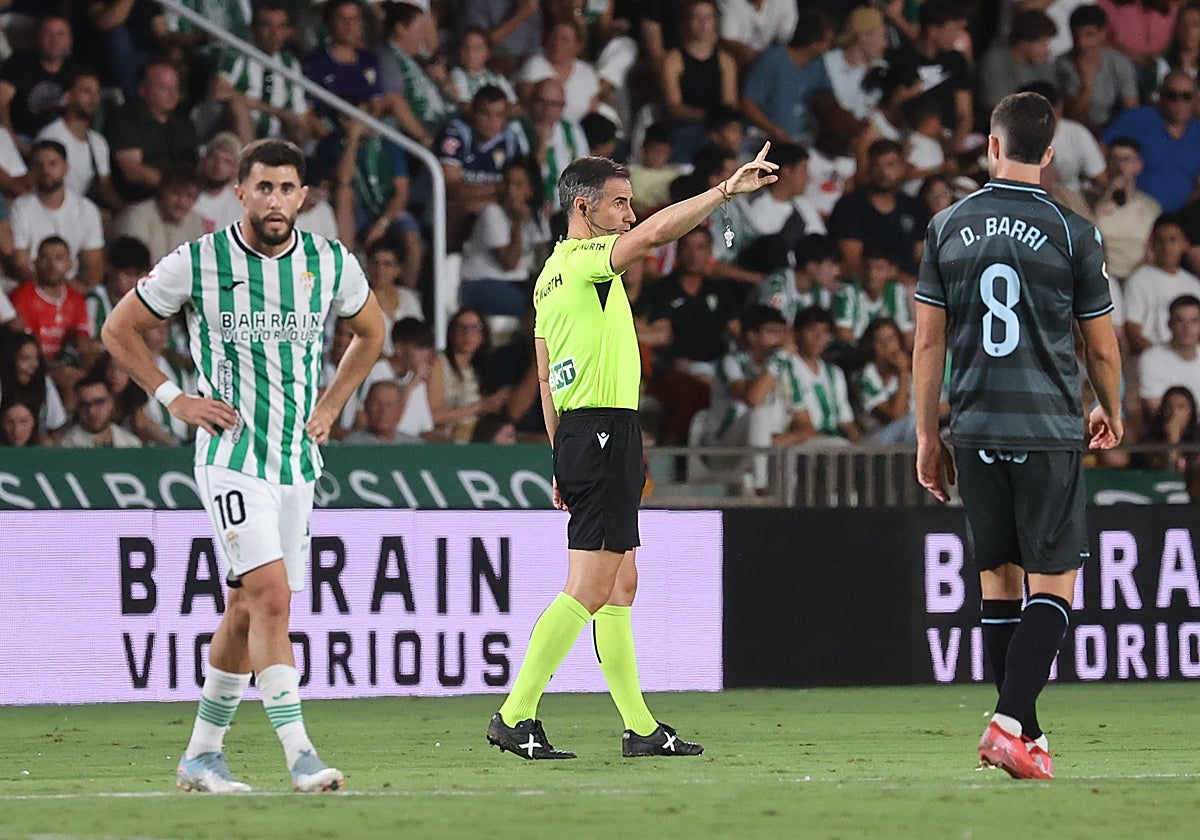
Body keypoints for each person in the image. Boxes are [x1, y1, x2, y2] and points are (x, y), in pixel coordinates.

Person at [100, 139, 386, 793]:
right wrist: (175, 398)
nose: (277, 200)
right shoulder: (198, 262)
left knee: (242, 612)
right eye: (264, 188)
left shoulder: (327, 262)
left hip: (296, 460)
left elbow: (372, 331)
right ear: (240, 192)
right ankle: (300, 754)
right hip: (231, 457)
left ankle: (202, 755)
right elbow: (117, 329)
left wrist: (334, 402)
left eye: (288, 189)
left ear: (304, 196)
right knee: (272, 600)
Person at [485, 144, 778, 760]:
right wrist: (723, 191)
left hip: (581, 432)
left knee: (620, 586)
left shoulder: (546, 279)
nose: (628, 214)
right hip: (603, 431)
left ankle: (640, 730)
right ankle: (515, 715)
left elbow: (542, 379)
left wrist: (559, 453)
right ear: (583, 208)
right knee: (588, 589)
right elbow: (653, 235)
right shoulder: (590, 258)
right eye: (619, 204)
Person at [914, 92, 1122, 781]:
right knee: (1053, 587)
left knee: (999, 581)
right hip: (1047, 427)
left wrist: (926, 434)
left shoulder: (947, 225)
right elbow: (1100, 347)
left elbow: (926, 343)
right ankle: (1009, 723)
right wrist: (1110, 407)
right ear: (1052, 155)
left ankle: (1024, 735)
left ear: (991, 147)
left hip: (972, 427)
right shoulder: (1073, 232)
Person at [1137, 294, 1200, 416]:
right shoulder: (1151, 359)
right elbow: (1157, 413)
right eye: (1180, 321)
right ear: (1169, 324)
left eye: (1194, 321)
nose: (1187, 328)